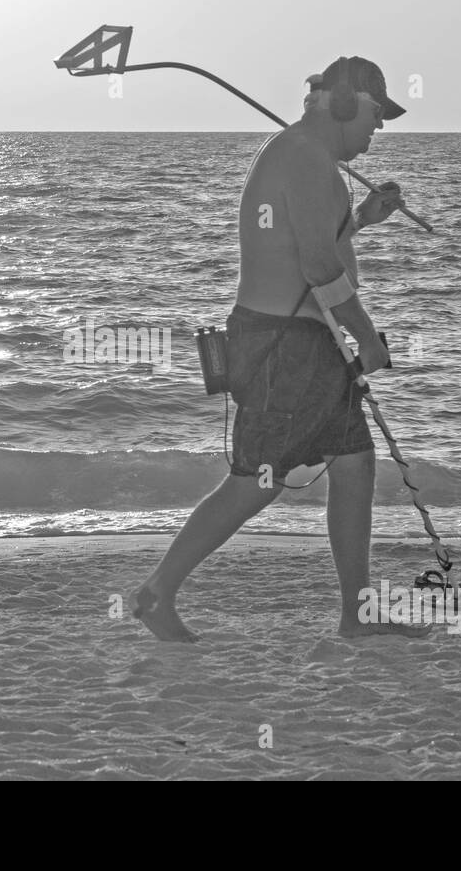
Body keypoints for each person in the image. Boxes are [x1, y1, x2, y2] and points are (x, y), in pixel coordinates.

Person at [133, 56, 425, 642]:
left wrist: (360, 220)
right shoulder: (306, 160)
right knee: (259, 480)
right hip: (284, 343)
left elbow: (305, 244)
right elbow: (318, 268)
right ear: (343, 105)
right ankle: (156, 592)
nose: (380, 128)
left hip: (291, 339)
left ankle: (355, 612)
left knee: (348, 463)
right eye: (374, 113)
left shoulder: (307, 159)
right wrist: (366, 338)